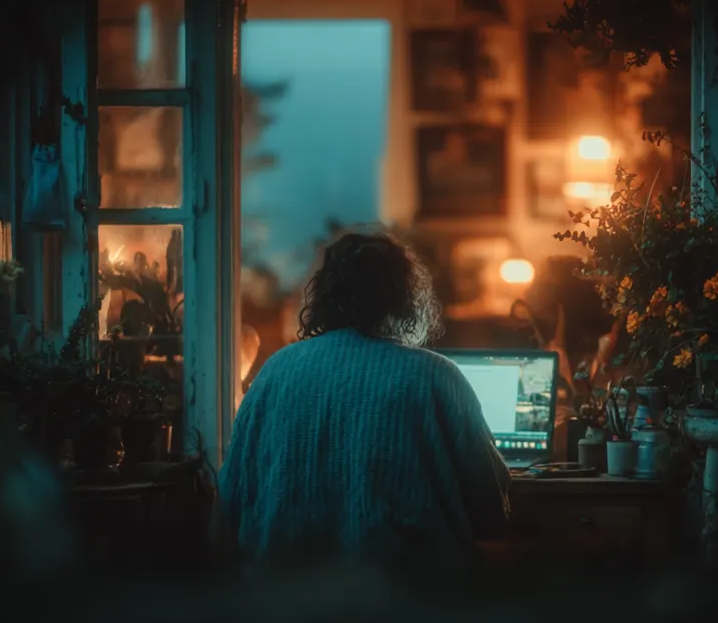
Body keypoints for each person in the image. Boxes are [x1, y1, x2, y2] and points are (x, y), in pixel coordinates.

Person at [214, 231, 510, 575]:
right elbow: (491, 509)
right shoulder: (435, 375)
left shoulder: (275, 370)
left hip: (285, 594)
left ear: (322, 295)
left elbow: (228, 505)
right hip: (411, 595)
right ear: (406, 297)